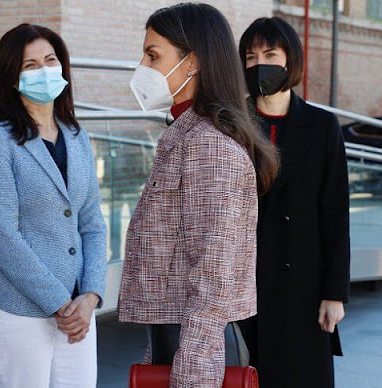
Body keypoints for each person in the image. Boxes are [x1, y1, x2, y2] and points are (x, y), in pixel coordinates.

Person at [118, 4, 280, 387]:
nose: (142, 65)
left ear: (192, 62)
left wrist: (191, 376)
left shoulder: (208, 144)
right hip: (181, 339)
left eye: (153, 54)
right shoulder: (187, 133)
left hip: (197, 350)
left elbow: (212, 276)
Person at [0, 23, 107, 388]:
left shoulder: (77, 136)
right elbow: (3, 236)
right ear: (12, 78)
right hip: (19, 309)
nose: (44, 70)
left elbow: (92, 223)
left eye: (50, 60)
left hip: (78, 311)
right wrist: (60, 302)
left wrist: (91, 295)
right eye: (30, 65)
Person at [237, 17, 350, 388]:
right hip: (243, 286)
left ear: (290, 60)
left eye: (270, 54)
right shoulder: (230, 123)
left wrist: (334, 294)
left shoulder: (321, 126)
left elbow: (334, 214)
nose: (259, 65)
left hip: (303, 287)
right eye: (250, 57)